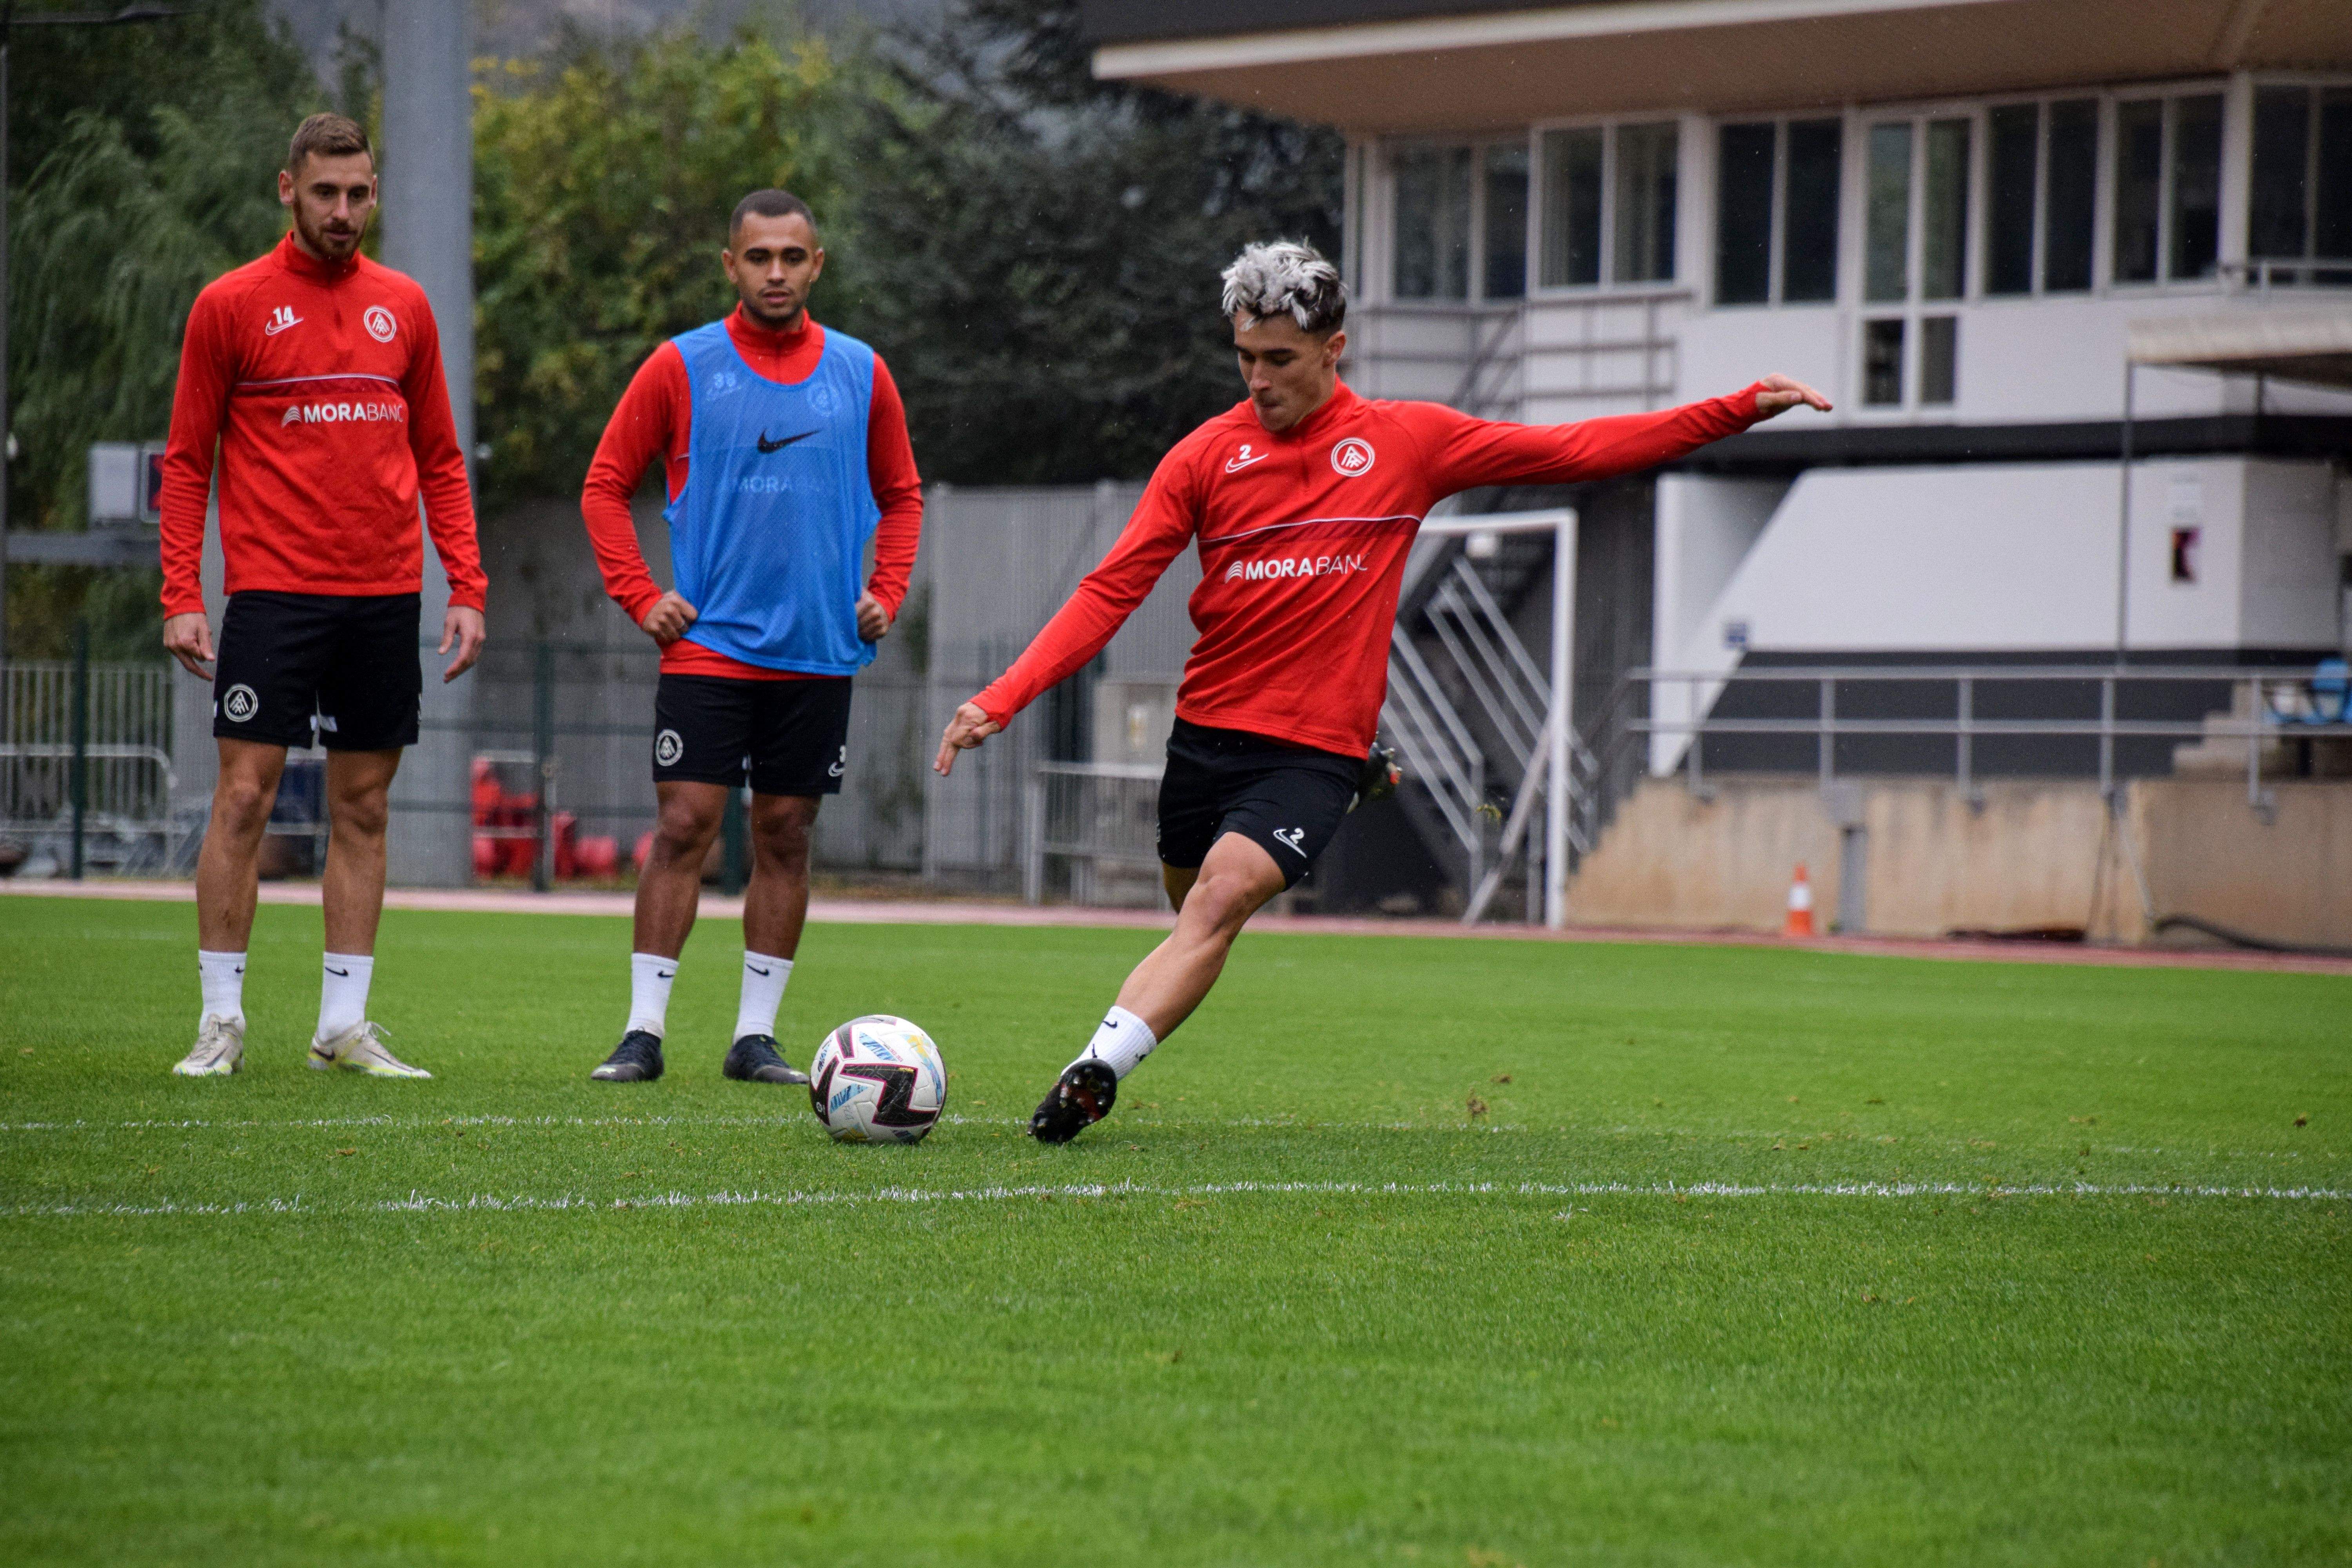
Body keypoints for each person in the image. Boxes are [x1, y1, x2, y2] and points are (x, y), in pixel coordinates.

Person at [936, 240, 1829, 1143]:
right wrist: (1001, 698)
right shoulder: (1204, 457)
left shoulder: (1407, 442)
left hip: (1312, 741)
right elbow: (1111, 589)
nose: (1257, 379)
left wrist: (1734, 412)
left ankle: (1095, 1070)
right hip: (1205, 734)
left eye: (1279, 359)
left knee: (1217, 901)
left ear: (1336, 349)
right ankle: (1351, 790)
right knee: (1191, 902)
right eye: (1245, 358)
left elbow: (1574, 448)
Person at [159, 113, 486, 1080]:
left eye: (358, 193)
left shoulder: (406, 308)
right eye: (325, 193)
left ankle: (342, 1024)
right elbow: (187, 461)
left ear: (375, 193)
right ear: (287, 189)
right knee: (246, 797)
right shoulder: (231, 305)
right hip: (272, 595)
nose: (342, 212)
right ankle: (221, 1020)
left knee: (366, 806)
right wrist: (183, 588)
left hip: (384, 594)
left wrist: (465, 583)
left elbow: (440, 457)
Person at [578, 189, 923, 1085]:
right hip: (712, 649)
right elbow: (604, 484)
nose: (777, 272)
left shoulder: (861, 370)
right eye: (760, 257)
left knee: (786, 831)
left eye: (793, 257)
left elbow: (904, 493)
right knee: (685, 823)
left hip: (817, 652)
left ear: (819, 265)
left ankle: (754, 1038)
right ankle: (643, 1032)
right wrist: (639, 594)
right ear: (730, 265)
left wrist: (885, 589)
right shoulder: (681, 366)